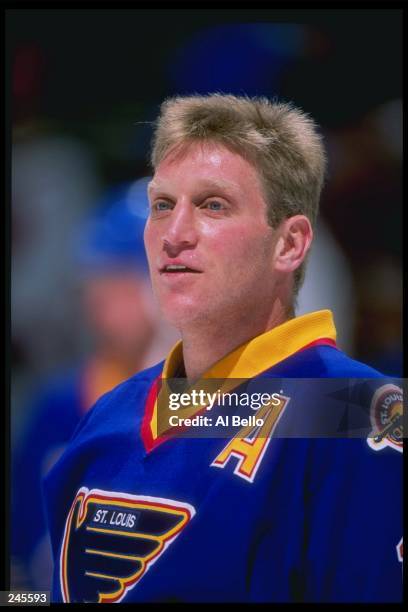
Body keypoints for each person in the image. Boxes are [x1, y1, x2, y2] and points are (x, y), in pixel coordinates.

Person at [43, 95, 402, 603]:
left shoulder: (359, 412)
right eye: (162, 206)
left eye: (213, 205)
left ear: (290, 244)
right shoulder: (108, 414)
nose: (174, 234)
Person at [11, 179, 178, 591]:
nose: (100, 298)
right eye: (99, 281)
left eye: (121, 280)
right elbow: (18, 573)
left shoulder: (221, 404)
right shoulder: (60, 405)